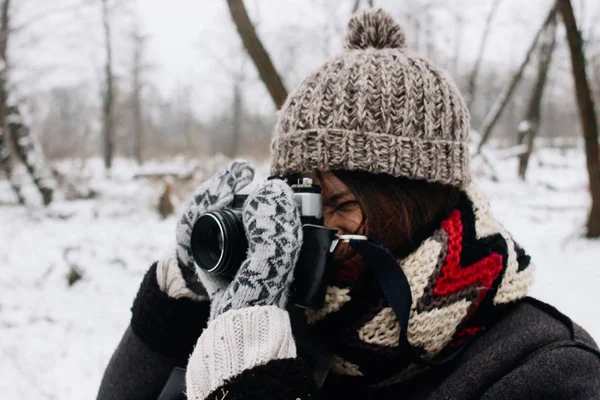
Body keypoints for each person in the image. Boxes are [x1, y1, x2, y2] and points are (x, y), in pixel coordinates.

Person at [97, 9, 600, 400]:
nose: (305, 232)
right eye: (295, 200)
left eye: (338, 202)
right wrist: (175, 305)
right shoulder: (288, 327)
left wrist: (256, 383)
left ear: (417, 204)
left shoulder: (545, 367)